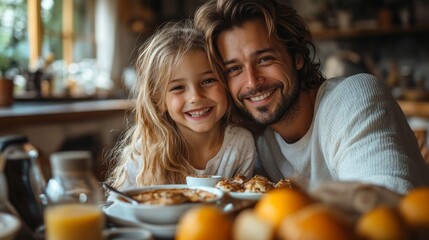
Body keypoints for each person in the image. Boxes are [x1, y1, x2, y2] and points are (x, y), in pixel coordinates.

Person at [194, 0, 429, 194]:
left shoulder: (354, 98)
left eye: (265, 59)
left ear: (297, 56)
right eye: (234, 69)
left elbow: (387, 203)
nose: (252, 82)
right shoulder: (258, 140)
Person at [107, 20, 256, 189]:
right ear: (158, 100)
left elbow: (241, 202)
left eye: (208, 80)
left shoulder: (241, 142)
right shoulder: (146, 152)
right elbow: (121, 204)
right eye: (178, 87)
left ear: (225, 84)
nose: (195, 96)